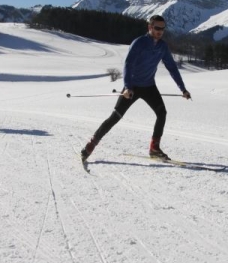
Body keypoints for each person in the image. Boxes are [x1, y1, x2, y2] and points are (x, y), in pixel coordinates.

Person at [81, 15, 191, 161]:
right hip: (132, 87)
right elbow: (128, 64)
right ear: (150, 27)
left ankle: (154, 148)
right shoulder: (139, 43)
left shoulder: (162, 46)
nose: (160, 31)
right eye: (157, 28)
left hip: (149, 86)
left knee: (162, 113)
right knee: (115, 117)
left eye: (163, 29)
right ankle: (91, 144)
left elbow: (172, 68)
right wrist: (127, 87)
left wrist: (182, 89)